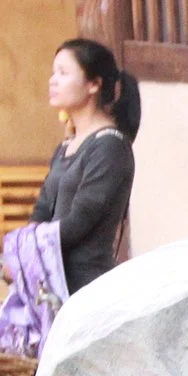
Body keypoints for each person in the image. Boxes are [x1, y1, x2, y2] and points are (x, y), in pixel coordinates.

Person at [33, 39, 141, 295]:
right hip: (50, 282)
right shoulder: (66, 146)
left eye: (63, 73)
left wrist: (29, 250)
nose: (52, 80)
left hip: (86, 291)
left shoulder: (109, 147)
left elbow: (81, 220)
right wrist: (20, 251)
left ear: (94, 84)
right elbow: (43, 208)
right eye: (53, 72)